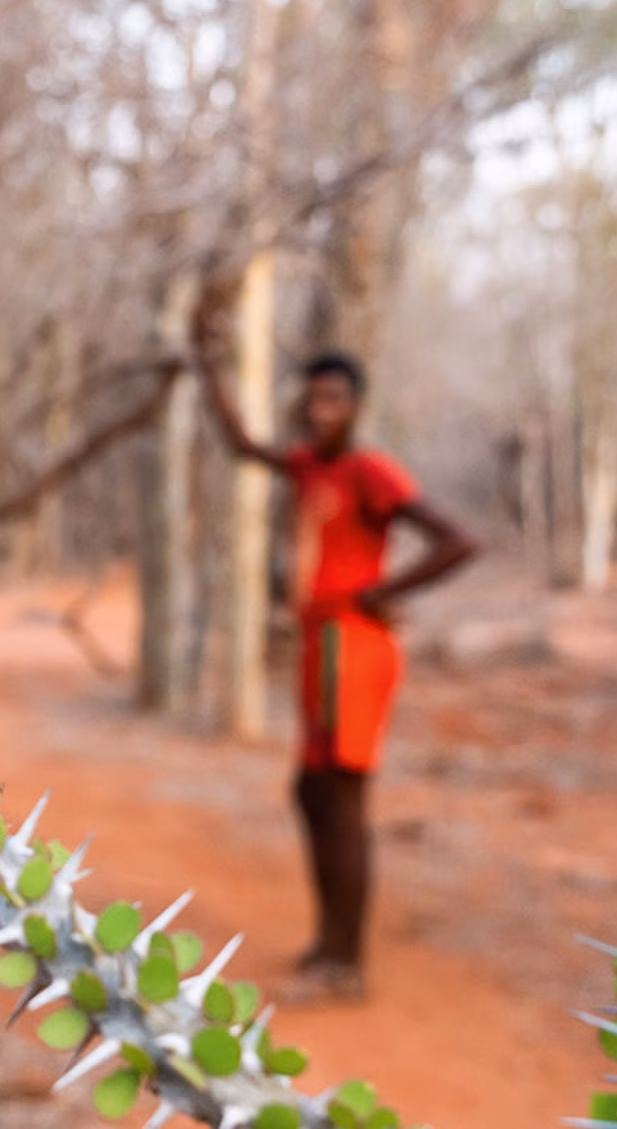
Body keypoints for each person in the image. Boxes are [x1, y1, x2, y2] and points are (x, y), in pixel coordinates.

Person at [193, 297, 476, 1002]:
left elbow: (457, 539)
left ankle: (347, 966)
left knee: (342, 797)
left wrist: (381, 594)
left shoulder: (367, 471)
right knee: (311, 791)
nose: (321, 410)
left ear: (355, 406)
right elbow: (240, 445)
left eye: (334, 399)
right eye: (313, 397)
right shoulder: (306, 467)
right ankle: (328, 943)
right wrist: (207, 364)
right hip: (321, 646)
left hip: (351, 647)